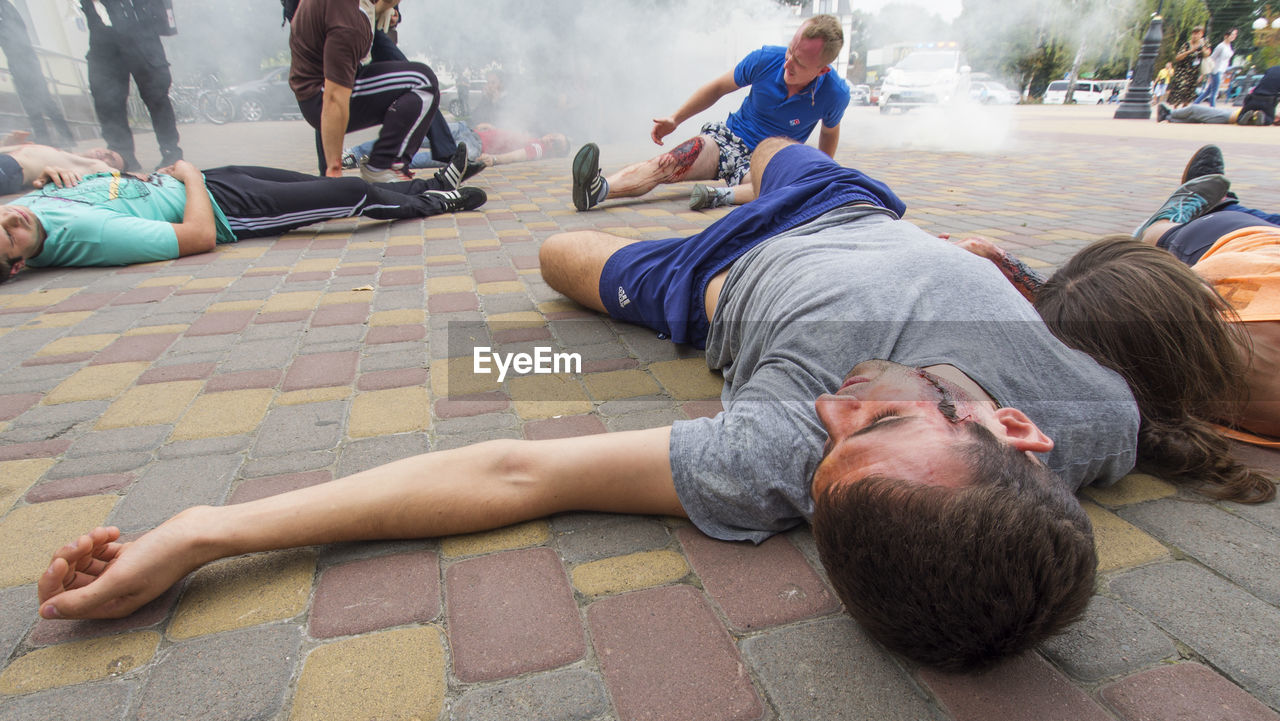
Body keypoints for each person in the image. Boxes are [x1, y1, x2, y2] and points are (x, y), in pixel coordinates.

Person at [39, 138, 1140, 673]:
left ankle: (666, 196)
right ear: (1017, 431)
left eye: (832, 452)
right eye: (888, 420)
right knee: (775, 149)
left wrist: (197, 532)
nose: (833, 414)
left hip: (711, 285)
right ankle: (709, 152)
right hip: (850, 207)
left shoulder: (772, 454)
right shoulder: (1099, 413)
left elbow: (517, 473)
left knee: (550, 269)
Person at [0, 150, 483, 282]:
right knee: (351, 194)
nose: (12, 221)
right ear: (19, 264)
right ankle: (436, 203)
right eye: (9, 238)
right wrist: (190, 177)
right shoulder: (92, 237)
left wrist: (68, 165)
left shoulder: (33, 201)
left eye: (1, 218)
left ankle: (430, 182)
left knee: (321, 184)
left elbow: (112, 170)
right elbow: (197, 237)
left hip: (209, 179)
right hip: (227, 209)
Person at [571, 15, 849, 213]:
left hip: (767, 160)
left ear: (822, 70)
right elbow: (717, 88)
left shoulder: (835, 93)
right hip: (727, 141)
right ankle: (598, 189)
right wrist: (675, 119)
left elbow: (829, 132)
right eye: (790, 51)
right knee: (670, 161)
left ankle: (719, 196)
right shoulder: (766, 59)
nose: (787, 63)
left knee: (782, 186)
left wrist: (820, 170)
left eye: (799, 63)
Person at [288, 0, 441, 182]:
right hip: (321, 98)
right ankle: (383, 167)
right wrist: (334, 170)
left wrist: (382, 8)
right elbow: (334, 97)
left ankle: (378, 164)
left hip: (314, 90)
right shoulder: (348, 21)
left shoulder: (351, 10)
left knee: (416, 76)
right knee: (422, 81)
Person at [77, 0, 183, 172]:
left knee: (157, 97)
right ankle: (121, 156)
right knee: (107, 101)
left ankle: (171, 152)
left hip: (141, 33)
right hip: (103, 40)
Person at [0, 0, 76, 147]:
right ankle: (44, 139)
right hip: (17, 63)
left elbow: (13, 34)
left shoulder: (5, 8)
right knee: (32, 106)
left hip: (27, 61)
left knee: (44, 102)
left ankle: (65, 137)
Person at [345, 121, 568, 170]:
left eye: (557, 143)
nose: (552, 140)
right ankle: (357, 155)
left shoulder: (540, 149)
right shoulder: (535, 137)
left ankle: (363, 157)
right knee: (409, 133)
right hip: (469, 133)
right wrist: (488, 127)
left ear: (555, 150)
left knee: (415, 148)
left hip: (472, 146)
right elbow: (507, 136)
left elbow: (520, 154)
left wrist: (495, 160)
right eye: (556, 136)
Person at [0, 139, 124, 195]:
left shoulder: (93, 165)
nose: (106, 155)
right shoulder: (62, 153)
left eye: (112, 160)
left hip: (12, 169)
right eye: (109, 151)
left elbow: (118, 178)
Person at [1167, 26, 1210, 108]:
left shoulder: (1204, 43)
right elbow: (1178, 57)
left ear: (1201, 34)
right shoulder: (1186, 45)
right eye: (1194, 34)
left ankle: (1184, 110)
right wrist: (1191, 51)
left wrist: (1203, 47)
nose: (1195, 36)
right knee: (1181, 89)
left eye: (1198, 34)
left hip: (1194, 72)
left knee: (1189, 92)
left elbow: (1207, 54)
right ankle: (1175, 108)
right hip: (1183, 71)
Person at [1194, 28, 1236, 106]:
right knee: (1214, 92)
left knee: (1208, 91)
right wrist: (1205, 73)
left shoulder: (1229, 46)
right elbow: (1212, 58)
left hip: (1222, 70)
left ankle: (1195, 104)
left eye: (1235, 35)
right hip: (1216, 70)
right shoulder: (1221, 46)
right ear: (1226, 36)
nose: (1233, 36)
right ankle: (1212, 109)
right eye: (1232, 35)